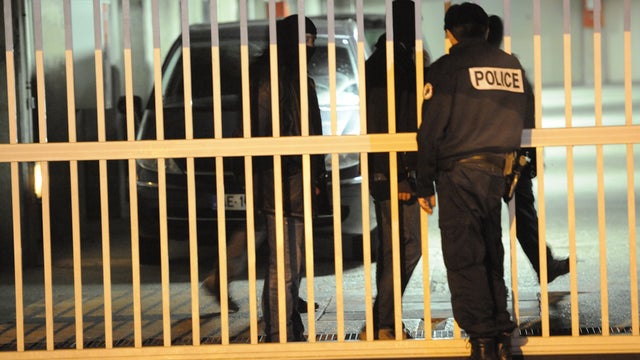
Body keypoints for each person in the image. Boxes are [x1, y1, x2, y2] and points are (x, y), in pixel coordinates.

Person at [416, 3, 532, 359]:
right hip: (499, 170)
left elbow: (431, 132)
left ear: (450, 34)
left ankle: (482, 341)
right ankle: (498, 327)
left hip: (460, 173)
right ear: (485, 30)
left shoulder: (446, 69)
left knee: (465, 256)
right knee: (490, 250)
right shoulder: (510, 65)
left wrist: (423, 183)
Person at [250, 14, 326, 343]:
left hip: (298, 183)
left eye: (312, 40)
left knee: (290, 265)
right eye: (303, 40)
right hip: (280, 184)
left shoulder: (298, 78)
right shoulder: (271, 80)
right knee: (283, 266)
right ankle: (280, 335)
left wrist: (315, 174)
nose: (308, 47)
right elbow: (263, 136)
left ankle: (287, 327)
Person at [487, 14, 569, 284]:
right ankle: (543, 265)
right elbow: (528, 110)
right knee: (523, 213)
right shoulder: (511, 66)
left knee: (486, 221)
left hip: (480, 156)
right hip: (512, 152)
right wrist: (529, 153)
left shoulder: (466, 68)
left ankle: (493, 280)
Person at [362, 0, 422, 340]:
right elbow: (389, 120)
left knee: (393, 248)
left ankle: (381, 320)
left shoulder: (388, 56)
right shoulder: (393, 60)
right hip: (393, 169)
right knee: (408, 246)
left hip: (387, 167)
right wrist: (399, 172)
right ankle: (383, 322)